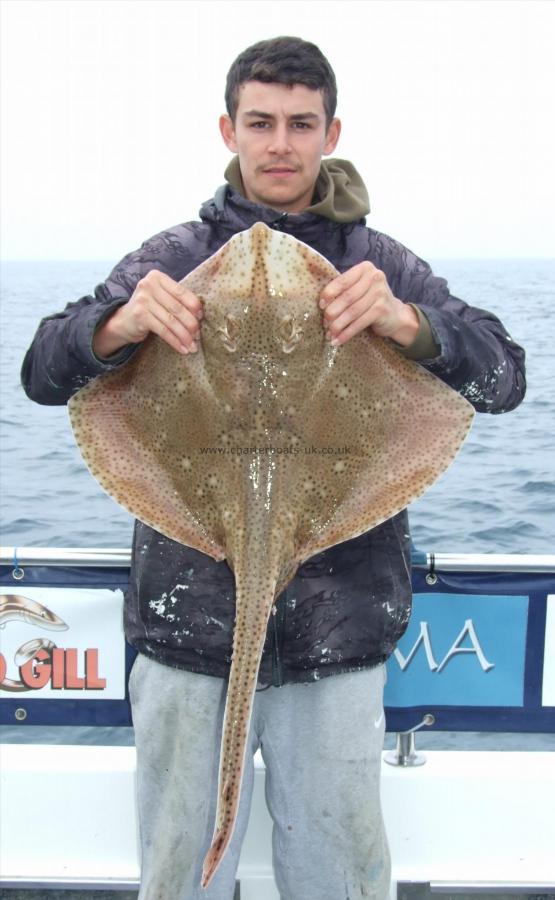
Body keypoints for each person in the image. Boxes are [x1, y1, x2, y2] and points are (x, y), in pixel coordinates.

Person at [21, 36, 526, 900]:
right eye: (261, 123)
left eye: (300, 124)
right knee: (180, 870)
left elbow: (503, 377)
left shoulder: (381, 262)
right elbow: (42, 371)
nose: (280, 143)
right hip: (187, 630)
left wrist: (408, 323)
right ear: (229, 130)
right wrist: (117, 326)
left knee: (336, 870)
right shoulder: (171, 256)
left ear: (332, 132)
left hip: (337, 630)